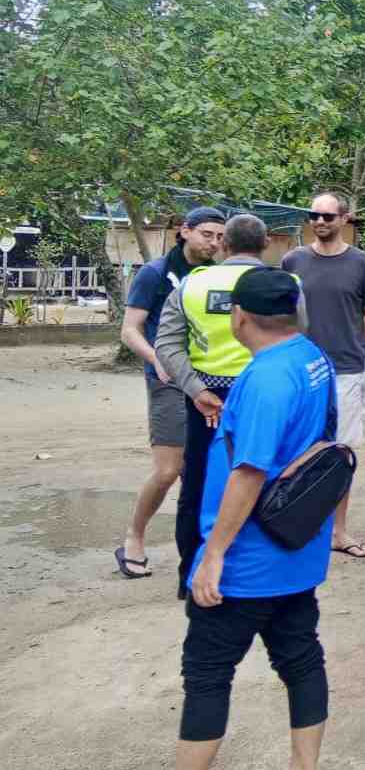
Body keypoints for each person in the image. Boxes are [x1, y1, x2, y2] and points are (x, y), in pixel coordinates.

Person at [100, 267, 337, 770]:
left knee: (207, 673)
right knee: (301, 657)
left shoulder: (265, 379)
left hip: (248, 561)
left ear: (239, 317)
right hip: (297, 549)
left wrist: (212, 556)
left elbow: (249, 472)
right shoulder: (312, 358)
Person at [155, 213, 280, 600]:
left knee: (197, 485)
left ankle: (190, 576)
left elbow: (167, 346)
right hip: (265, 397)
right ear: (266, 244)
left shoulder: (192, 284)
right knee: (265, 478)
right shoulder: (285, 284)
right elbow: (299, 340)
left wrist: (196, 390)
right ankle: (257, 574)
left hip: (206, 403)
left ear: (224, 244)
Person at [113, 207, 226, 580]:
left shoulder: (216, 275)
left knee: (205, 469)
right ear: (185, 231)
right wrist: (157, 359)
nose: (214, 242)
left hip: (209, 381)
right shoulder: (155, 273)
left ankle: (202, 548)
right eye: (207, 234)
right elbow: (130, 329)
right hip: (167, 380)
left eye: (220, 236)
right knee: (168, 470)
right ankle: (134, 537)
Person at [282, 192, 365, 559]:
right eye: (314, 215)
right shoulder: (292, 260)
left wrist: (356, 348)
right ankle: (298, 526)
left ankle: (338, 532)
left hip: (346, 371)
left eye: (327, 216)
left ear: (344, 218)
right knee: (299, 449)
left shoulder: (363, 264)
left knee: (340, 453)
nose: (320, 221)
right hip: (300, 373)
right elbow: (284, 313)